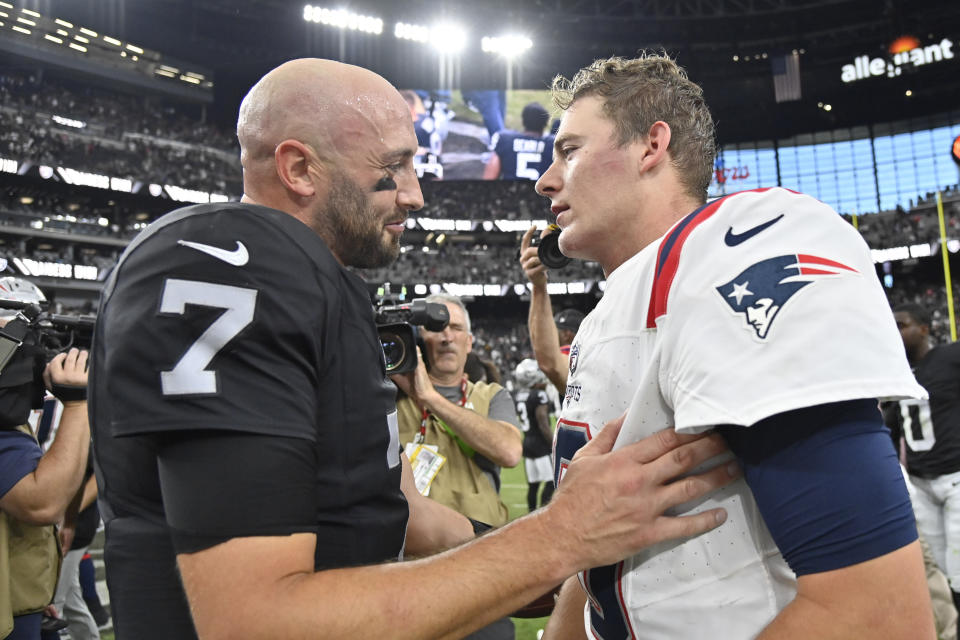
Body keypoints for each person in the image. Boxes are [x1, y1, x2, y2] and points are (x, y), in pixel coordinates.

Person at [89, 58, 741, 640]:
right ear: (298, 168)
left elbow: (404, 519)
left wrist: (582, 563)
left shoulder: (321, 281)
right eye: (392, 167)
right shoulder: (231, 266)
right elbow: (252, 621)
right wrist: (560, 534)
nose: (415, 193)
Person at [534, 53, 933, 639]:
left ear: (651, 146)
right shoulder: (617, 307)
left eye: (570, 151)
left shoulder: (731, 252)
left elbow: (878, 615)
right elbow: (600, 570)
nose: (546, 180)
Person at [392, 293, 522, 639]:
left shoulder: (491, 395)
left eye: (456, 328)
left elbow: (508, 450)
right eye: (436, 329)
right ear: (419, 339)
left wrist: (430, 398)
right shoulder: (389, 397)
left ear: (470, 340)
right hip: (408, 571)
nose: (447, 337)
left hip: (480, 567)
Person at [888, 303, 960, 619]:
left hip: (955, 478)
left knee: (958, 570)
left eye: (902, 324)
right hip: (920, 482)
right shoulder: (895, 372)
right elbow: (894, 422)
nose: (896, 331)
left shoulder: (949, 358)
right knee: (945, 568)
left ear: (924, 329)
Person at [518, 229, 581, 394]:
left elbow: (550, 363)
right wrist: (538, 285)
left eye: (557, 329)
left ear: (568, 334)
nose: (554, 334)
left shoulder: (576, 352)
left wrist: (539, 286)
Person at [513, 358, 555, 512]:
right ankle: (540, 515)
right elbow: (543, 424)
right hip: (541, 445)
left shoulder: (520, 395)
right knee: (551, 482)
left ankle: (531, 514)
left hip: (528, 443)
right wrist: (554, 444)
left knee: (533, 485)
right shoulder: (538, 395)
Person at [484, 102, 555, 181]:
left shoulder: (505, 139)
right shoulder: (552, 144)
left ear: (523, 121)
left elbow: (490, 177)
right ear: (545, 124)